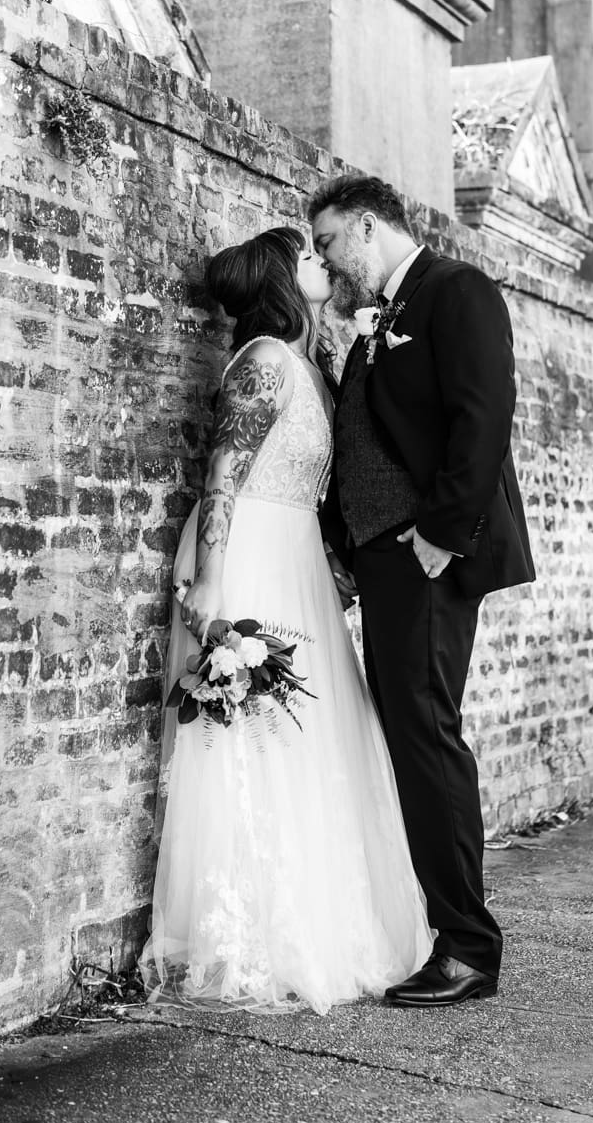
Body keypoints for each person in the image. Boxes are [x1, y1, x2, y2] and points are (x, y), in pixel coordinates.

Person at [141, 226, 432, 1013]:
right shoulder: (266, 361)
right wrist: (210, 578)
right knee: (253, 737)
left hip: (298, 554)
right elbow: (225, 474)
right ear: (280, 279)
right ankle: (250, 936)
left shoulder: (310, 365)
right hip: (250, 555)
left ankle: (321, 919)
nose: (322, 264)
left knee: (316, 735)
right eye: (307, 257)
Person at [310, 175, 535, 1008]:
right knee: (410, 735)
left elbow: (485, 415)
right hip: (387, 559)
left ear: (369, 226)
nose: (327, 261)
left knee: (427, 736)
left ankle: (469, 947)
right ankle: (446, 930)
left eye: (332, 242)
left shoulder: (456, 291)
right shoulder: (382, 315)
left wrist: (442, 532)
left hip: (430, 557)